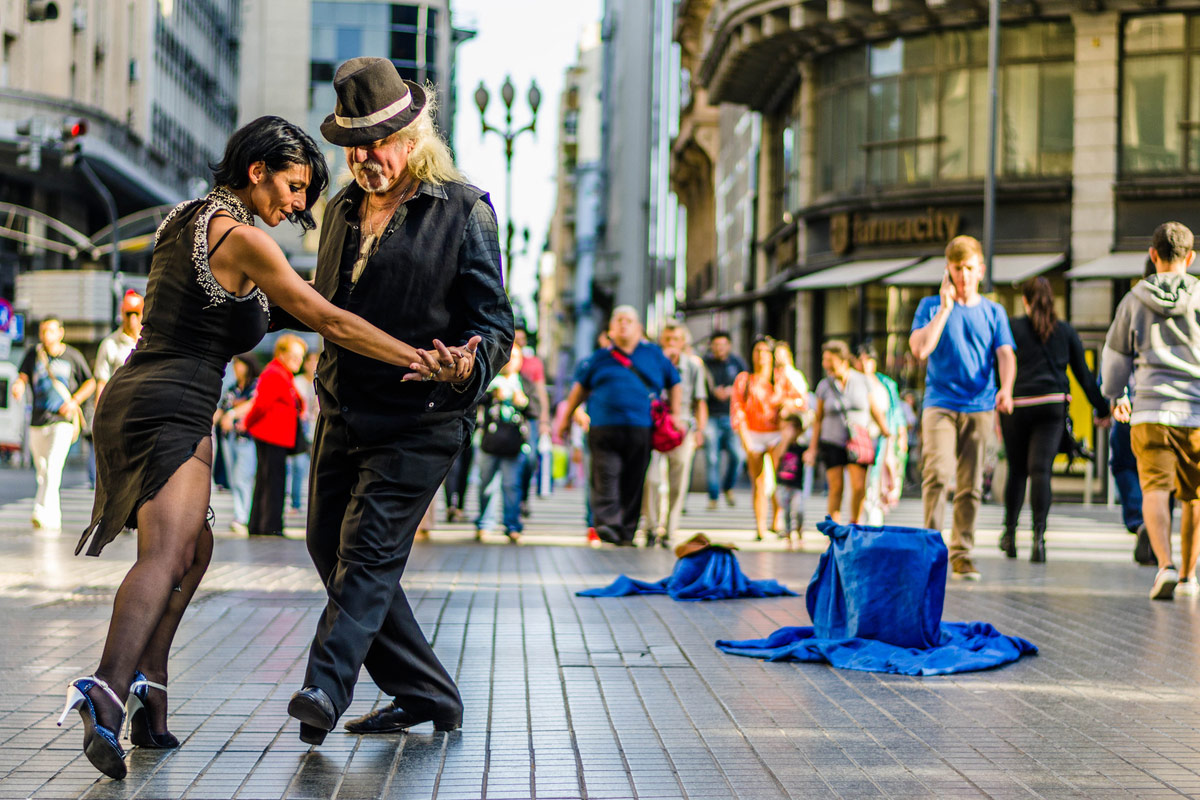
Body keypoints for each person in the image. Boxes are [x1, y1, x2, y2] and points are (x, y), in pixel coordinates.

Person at [57, 114, 446, 781]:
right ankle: (106, 690)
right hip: (174, 399)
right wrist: (419, 358)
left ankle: (150, 691)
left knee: (196, 548)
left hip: (140, 393)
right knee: (170, 552)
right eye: (293, 186)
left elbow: (285, 308)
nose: (297, 205)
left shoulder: (185, 217)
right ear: (258, 168)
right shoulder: (244, 239)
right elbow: (323, 318)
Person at [282, 60, 512, 744]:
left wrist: (467, 364)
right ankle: (427, 692)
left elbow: (494, 323)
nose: (365, 157)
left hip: (420, 419)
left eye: (378, 141)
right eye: (354, 144)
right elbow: (328, 311)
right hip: (343, 410)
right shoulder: (342, 208)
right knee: (328, 544)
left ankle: (324, 685)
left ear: (413, 136)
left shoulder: (464, 210)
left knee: (368, 550)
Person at [1102, 221, 1200, 600]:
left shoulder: (1132, 300)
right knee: (1193, 496)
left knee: (1155, 489)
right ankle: (1191, 576)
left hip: (1150, 413)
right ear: (1190, 257)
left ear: (1153, 255)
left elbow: (1114, 362)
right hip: (1195, 411)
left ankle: (1165, 566)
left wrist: (1116, 394)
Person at [909, 235, 1015, 581]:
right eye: (957, 269)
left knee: (970, 485)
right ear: (948, 271)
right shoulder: (929, 306)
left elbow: (1005, 355)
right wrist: (944, 309)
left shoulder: (994, 311)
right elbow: (921, 350)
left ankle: (962, 554)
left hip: (980, 405)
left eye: (970, 268)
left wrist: (1007, 389)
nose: (964, 275)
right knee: (937, 474)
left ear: (980, 270)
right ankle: (931, 548)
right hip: (940, 404)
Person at [1000, 277, 1110, 562]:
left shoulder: (1013, 328)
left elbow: (997, 362)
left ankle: (1010, 536)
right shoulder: (1065, 331)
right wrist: (1102, 408)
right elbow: (1084, 376)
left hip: (1018, 404)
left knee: (1016, 470)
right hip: (1052, 406)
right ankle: (1039, 539)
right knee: (1041, 471)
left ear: (1025, 300)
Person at [556, 306, 681, 546]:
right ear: (611, 329)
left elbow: (674, 382)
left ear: (639, 328)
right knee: (606, 476)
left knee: (634, 480)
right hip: (604, 427)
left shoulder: (654, 354)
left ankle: (627, 530)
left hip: (641, 427)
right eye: (619, 320)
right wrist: (566, 417)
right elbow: (580, 389)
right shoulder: (599, 357)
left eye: (629, 320)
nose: (624, 324)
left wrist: (675, 413)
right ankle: (608, 525)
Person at [12, 318, 95, 533]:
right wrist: (18, 386)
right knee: (43, 471)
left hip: (63, 422)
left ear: (60, 333)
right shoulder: (33, 354)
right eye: (42, 331)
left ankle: (40, 511)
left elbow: (90, 382)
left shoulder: (72, 356)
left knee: (53, 466)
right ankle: (53, 516)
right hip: (38, 421)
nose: (46, 335)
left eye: (50, 330)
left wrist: (73, 402)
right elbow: (22, 377)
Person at [804, 340, 889, 524]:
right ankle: (834, 530)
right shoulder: (824, 386)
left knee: (859, 487)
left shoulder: (862, 381)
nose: (826, 365)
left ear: (842, 360)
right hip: (832, 440)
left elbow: (875, 409)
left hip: (858, 442)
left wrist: (886, 431)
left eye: (830, 360)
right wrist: (812, 448)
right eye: (824, 360)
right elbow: (818, 419)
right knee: (836, 487)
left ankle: (854, 525)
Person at [643, 320, 708, 548]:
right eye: (667, 339)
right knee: (651, 479)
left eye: (675, 340)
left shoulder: (693, 366)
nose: (671, 344)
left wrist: (700, 430)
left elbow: (700, 401)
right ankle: (650, 527)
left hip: (682, 429)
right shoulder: (651, 364)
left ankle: (670, 530)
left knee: (678, 483)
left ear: (683, 343)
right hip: (655, 428)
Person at [244, 335, 307, 537]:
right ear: (281, 354)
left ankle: (260, 525)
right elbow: (261, 405)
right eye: (294, 356)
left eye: (301, 357)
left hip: (275, 436)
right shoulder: (275, 373)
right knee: (273, 482)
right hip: (271, 436)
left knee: (267, 481)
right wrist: (247, 424)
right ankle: (270, 526)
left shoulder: (282, 373)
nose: (299, 360)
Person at [731, 336, 788, 540]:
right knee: (759, 482)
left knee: (777, 478)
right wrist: (745, 439)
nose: (761, 356)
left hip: (776, 434)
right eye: (757, 351)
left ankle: (778, 517)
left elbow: (799, 400)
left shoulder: (780, 378)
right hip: (754, 434)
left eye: (765, 351)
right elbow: (738, 410)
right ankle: (761, 527)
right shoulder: (744, 380)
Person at [474, 343, 530, 543]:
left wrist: (523, 402)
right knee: (486, 485)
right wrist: (492, 396)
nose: (509, 361)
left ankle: (512, 525)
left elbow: (535, 410)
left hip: (514, 445)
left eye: (514, 357)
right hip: (490, 441)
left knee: (511, 485)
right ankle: (485, 523)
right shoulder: (488, 380)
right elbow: (474, 400)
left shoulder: (524, 383)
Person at [91, 291, 145, 488]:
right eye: (127, 313)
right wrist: (99, 418)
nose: (131, 318)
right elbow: (101, 384)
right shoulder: (110, 344)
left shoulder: (152, 342)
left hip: (145, 413)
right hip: (118, 415)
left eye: (136, 313)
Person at [856, 344, 907, 525]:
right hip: (860, 437)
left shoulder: (886, 384)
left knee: (879, 480)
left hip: (883, 437)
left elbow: (896, 412)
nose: (865, 364)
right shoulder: (855, 382)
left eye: (868, 360)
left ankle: (874, 520)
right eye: (861, 360)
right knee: (861, 483)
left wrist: (901, 436)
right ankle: (861, 521)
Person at [214, 353, 260, 534]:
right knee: (233, 477)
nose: (236, 368)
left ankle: (243, 516)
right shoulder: (233, 389)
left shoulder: (255, 386)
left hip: (246, 438)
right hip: (228, 438)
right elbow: (221, 409)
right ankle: (239, 513)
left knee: (243, 477)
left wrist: (232, 414)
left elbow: (253, 403)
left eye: (239, 365)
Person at [703, 330, 748, 510]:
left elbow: (746, 385)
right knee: (712, 457)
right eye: (716, 345)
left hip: (732, 415)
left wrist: (732, 391)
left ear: (729, 346)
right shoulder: (705, 364)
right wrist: (713, 392)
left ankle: (728, 487)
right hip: (711, 415)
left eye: (723, 345)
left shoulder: (737, 363)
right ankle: (713, 496)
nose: (719, 348)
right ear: (711, 346)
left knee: (738, 455)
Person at [515, 326, 550, 512]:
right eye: (515, 339)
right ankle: (513, 502)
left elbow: (541, 391)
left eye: (522, 339)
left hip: (531, 417)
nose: (519, 342)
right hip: (509, 419)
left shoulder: (534, 363)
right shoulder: (505, 360)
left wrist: (545, 420)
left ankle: (523, 497)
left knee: (530, 459)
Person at [286, 349, 319, 514]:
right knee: (298, 466)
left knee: (317, 468)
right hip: (301, 428)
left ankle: (315, 504)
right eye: (310, 361)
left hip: (316, 427)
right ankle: (296, 502)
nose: (313, 365)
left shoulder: (323, 380)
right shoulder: (297, 381)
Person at [774, 413, 807, 540]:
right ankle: (788, 531)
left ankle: (799, 528)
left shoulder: (802, 446)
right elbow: (777, 458)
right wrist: (786, 440)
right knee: (786, 509)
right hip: (782, 483)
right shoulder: (781, 444)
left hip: (797, 484)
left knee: (798, 508)